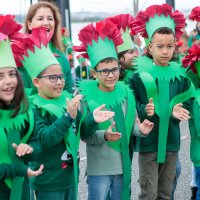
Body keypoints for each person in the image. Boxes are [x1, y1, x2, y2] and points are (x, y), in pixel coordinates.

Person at [13, 26, 115, 200]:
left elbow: (82, 132)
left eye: (61, 76)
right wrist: (68, 117)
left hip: (70, 177)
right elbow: (44, 138)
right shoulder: (34, 107)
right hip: (47, 182)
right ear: (36, 82)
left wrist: (92, 120)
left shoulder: (67, 100)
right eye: (52, 78)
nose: (59, 82)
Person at [74, 20, 154, 200]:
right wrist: (104, 135)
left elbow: (130, 125)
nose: (111, 75)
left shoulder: (126, 92)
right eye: (104, 71)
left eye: (114, 69)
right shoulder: (86, 97)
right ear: (93, 73)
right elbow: (85, 135)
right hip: (99, 169)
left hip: (123, 165)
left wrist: (140, 130)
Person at [130, 4, 194, 200]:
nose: (165, 51)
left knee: (166, 193)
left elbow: (189, 99)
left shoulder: (180, 75)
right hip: (148, 144)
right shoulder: (139, 75)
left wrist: (178, 108)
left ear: (175, 45)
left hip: (171, 144)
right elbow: (133, 105)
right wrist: (144, 109)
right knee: (148, 193)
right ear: (150, 47)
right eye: (159, 46)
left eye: (169, 46)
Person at [0, 15, 42, 200]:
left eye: (11, 74)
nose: (8, 81)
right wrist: (19, 169)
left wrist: (30, 149)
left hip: (23, 192)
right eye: (0, 76)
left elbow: (37, 143)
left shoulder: (24, 110)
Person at [18, 1, 73, 95]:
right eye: (40, 19)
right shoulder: (20, 57)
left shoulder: (63, 59)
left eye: (50, 18)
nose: (46, 23)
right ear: (29, 24)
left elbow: (68, 94)